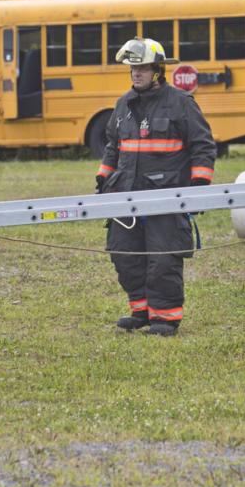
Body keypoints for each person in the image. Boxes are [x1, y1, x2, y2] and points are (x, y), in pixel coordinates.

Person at [97, 38, 216, 337]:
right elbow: (114, 145)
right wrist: (103, 178)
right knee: (124, 255)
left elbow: (202, 145)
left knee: (164, 258)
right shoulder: (123, 104)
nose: (136, 74)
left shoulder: (181, 103)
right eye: (132, 69)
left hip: (167, 197)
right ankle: (141, 311)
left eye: (142, 68)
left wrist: (198, 185)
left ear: (157, 70)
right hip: (125, 194)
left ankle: (166, 317)